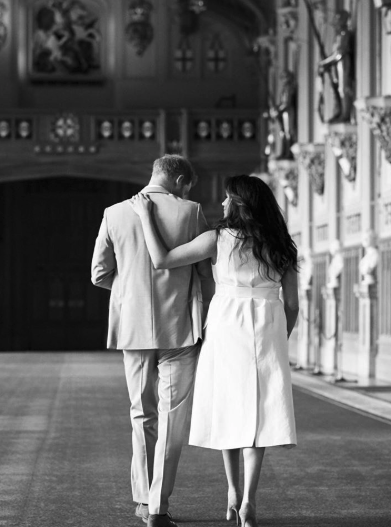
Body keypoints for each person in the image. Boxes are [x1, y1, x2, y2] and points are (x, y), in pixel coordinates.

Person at [129, 174, 299, 527]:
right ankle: (250, 500)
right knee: (259, 414)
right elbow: (293, 304)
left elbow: (162, 259)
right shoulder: (283, 245)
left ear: (239, 204)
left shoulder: (217, 239)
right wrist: (280, 337)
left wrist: (146, 216)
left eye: (226, 198)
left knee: (229, 407)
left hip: (227, 324)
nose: (221, 204)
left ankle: (233, 493)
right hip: (268, 323)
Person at [91, 155, 213, 527]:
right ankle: (158, 506)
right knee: (174, 419)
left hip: (134, 328)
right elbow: (205, 276)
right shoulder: (191, 212)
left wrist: (130, 293)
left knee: (142, 414)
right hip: (180, 328)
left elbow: (99, 274)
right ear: (178, 179)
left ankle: (144, 498)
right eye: (186, 185)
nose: (186, 191)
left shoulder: (114, 213)